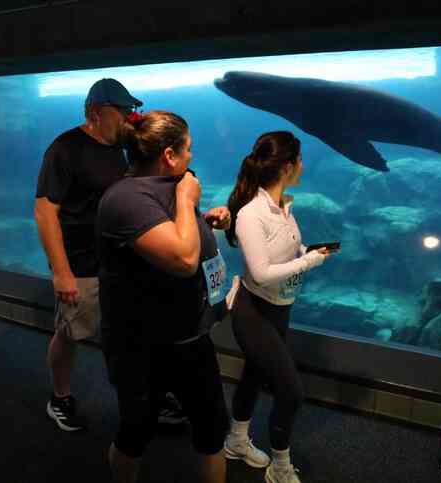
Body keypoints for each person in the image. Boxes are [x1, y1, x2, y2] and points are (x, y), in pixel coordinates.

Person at [35, 78, 187, 431]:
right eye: (123, 111)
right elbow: (45, 211)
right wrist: (61, 272)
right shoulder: (65, 149)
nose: (131, 118)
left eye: (132, 110)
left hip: (117, 262)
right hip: (81, 262)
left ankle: (148, 395)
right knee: (72, 331)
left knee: (128, 332)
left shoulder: (118, 148)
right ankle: (59, 397)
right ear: (95, 112)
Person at [97, 110, 232, 483]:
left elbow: (176, 233)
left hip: (190, 337)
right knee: (135, 432)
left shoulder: (167, 187)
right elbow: (183, 258)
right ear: (169, 155)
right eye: (187, 150)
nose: (192, 157)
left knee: (211, 431)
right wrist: (188, 202)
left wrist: (205, 219)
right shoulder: (126, 197)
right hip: (141, 346)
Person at [223, 131, 334, 483]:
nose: (303, 165)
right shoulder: (251, 214)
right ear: (287, 166)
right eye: (300, 159)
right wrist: (310, 263)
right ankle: (280, 465)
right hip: (253, 311)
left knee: (254, 375)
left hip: (277, 308)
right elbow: (262, 273)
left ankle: (236, 441)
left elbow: (284, 253)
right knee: (291, 391)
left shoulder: (285, 206)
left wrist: (305, 253)